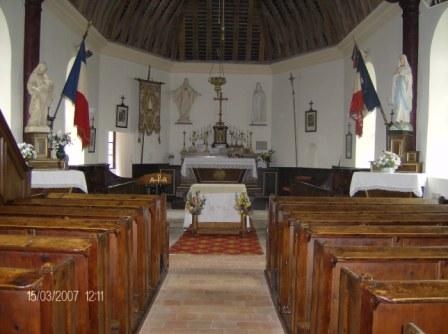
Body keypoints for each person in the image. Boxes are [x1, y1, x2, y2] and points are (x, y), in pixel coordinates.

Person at [25, 62, 54, 131]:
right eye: (42, 69)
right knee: (37, 108)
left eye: (44, 70)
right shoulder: (34, 75)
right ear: (39, 68)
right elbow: (29, 85)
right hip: (37, 96)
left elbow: (50, 84)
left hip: (44, 96)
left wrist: (49, 85)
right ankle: (35, 122)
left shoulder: (45, 76)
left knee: (44, 110)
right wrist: (34, 89)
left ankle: (42, 123)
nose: (43, 71)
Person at [391, 54, 413, 127]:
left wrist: (402, 74)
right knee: (398, 103)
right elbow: (394, 78)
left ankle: (404, 119)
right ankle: (397, 119)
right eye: (400, 59)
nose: (401, 60)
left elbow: (409, 79)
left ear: (405, 60)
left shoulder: (407, 69)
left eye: (402, 59)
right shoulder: (398, 69)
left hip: (404, 89)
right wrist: (397, 74)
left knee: (403, 104)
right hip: (398, 90)